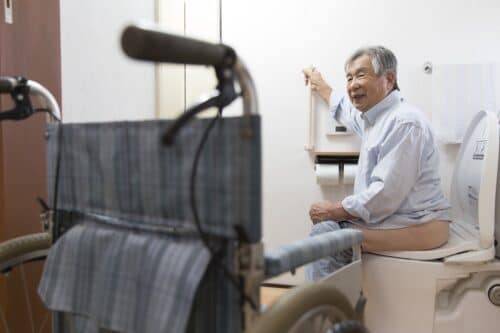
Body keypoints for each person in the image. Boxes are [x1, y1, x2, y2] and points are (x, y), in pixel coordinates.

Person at [302, 46, 451, 281]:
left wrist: (334, 210)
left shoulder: (403, 122)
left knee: (326, 235)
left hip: (418, 225)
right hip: (400, 219)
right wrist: (319, 83)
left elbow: (385, 194)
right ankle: (332, 306)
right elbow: (344, 109)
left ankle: (324, 314)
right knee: (330, 231)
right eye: (349, 78)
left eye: (360, 75)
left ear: (389, 79)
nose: (352, 85)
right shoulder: (375, 119)